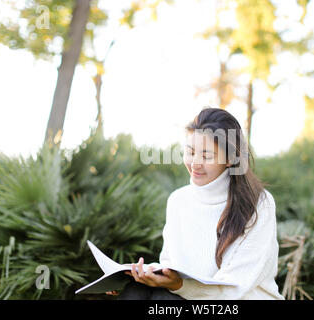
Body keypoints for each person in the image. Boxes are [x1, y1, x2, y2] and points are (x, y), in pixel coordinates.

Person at [113, 107, 284, 300]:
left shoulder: (259, 203)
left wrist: (179, 285)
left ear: (230, 159)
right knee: (136, 291)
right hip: (191, 297)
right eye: (190, 152)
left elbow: (235, 288)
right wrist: (144, 276)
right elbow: (170, 265)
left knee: (163, 299)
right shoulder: (178, 201)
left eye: (206, 156)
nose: (195, 163)